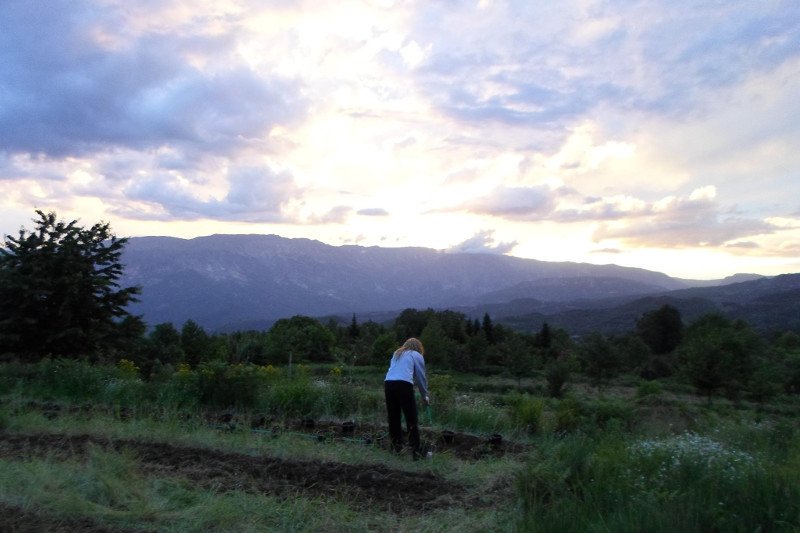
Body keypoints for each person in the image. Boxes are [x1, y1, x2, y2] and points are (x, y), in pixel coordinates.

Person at [384, 337, 429, 459]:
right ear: (419, 348)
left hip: (388, 384)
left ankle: (396, 448)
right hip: (404, 385)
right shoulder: (417, 355)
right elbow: (420, 377)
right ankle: (416, 453)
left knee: (393, 418)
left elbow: (398, 371)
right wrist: (425, 395)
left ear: (406, 345)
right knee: (411, 419)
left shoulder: (397, 353)